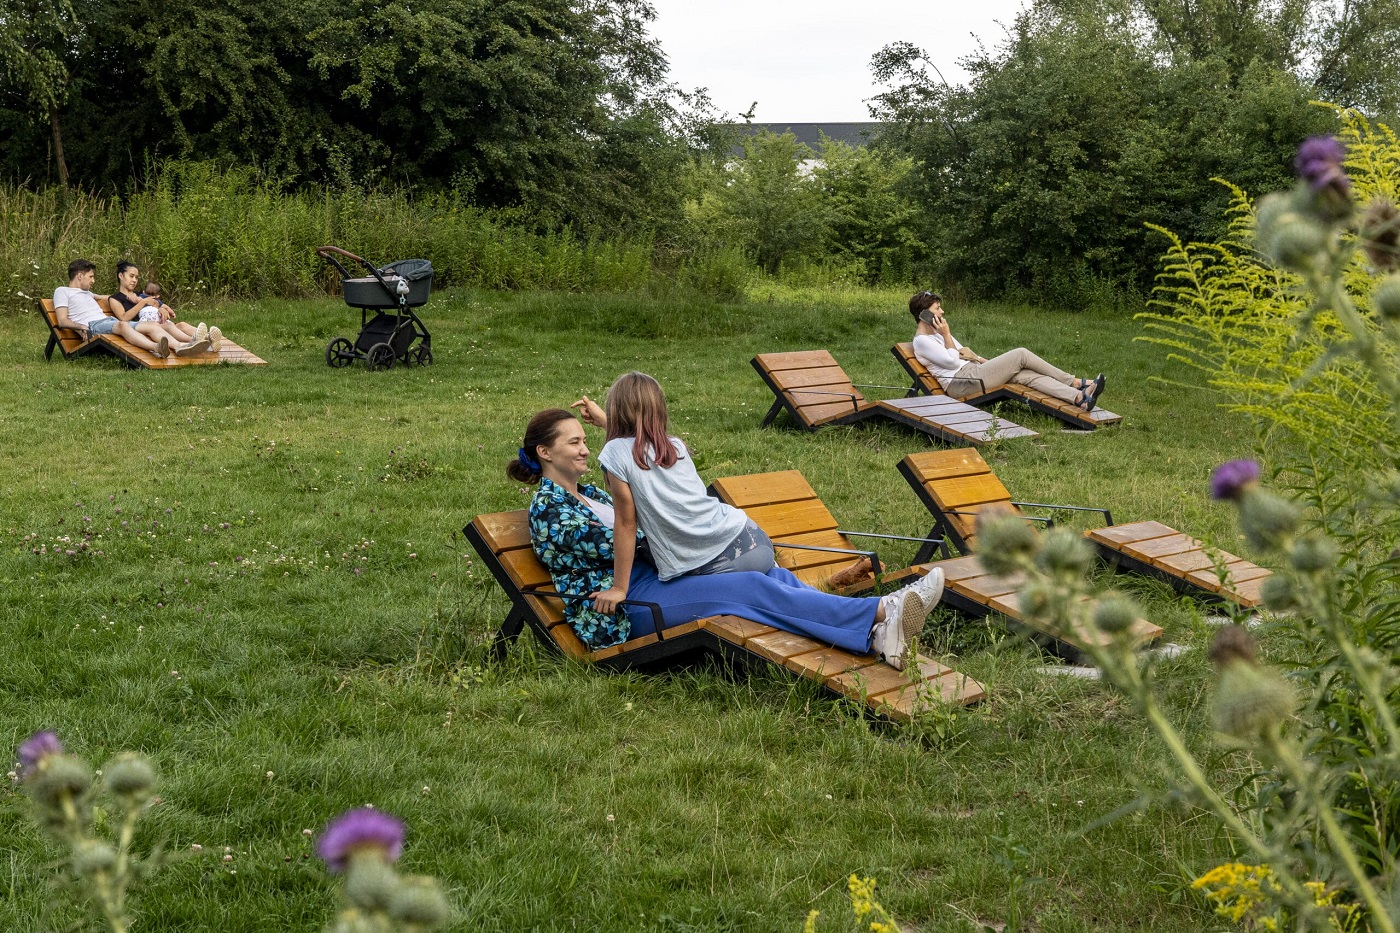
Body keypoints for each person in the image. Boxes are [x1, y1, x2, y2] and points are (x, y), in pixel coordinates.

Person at [510, 408, 945, 669]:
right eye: (574, 443)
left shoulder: (589, 493)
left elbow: (641, 511)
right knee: (749, 584)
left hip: (650, 583)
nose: (585, 449)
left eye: (587, 440)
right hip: (623, 609)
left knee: (769, 574)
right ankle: (881, 610)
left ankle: (874, 634)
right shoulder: (549, 510)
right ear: (546, 453)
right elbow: (636, 536)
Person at [908, 290, 1105, 411]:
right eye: (937, 309)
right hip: (961, 384)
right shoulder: (923, 341)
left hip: (972, 373)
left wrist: (988, 362)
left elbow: (963, 352)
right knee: (1021, 354)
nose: (942, 312)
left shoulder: (936, 334)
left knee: (1026, 375)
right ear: (923, 314)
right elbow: (952, 362)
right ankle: (1076, 382)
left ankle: (1079, 398)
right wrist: (947, 334)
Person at [52, 259, 176, 358]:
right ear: (80, 276)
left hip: (109, 321)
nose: (93, 281)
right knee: (123, 325)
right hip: (93, 326)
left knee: (150, 325)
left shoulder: (88, 293)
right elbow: (62, 321)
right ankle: (156, 347)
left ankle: (179, 347)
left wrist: (136, 298)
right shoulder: (62, 291)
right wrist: (82, 327)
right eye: (91, 277)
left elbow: (108, 297)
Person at [105, 261, 218, 354]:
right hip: (140, 327)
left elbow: (157, 305)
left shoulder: (140, 295)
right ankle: (196, 340)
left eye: (136, 277)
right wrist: (143, 303)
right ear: (121, 275)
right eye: (131, 276)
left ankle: (208, 337)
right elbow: (123, 318)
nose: (134, 280)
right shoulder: (115, 299)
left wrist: (161, 309)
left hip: (156, 322)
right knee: (169, 325)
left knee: (181, 325)